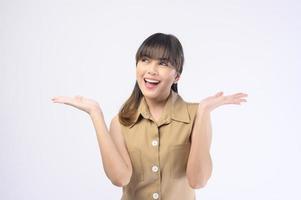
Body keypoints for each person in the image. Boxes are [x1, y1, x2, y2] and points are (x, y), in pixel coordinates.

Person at [51, 32, 248, 200]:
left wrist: (204, 111)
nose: (151, 70)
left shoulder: (196, 115)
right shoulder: (121, 122)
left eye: (162, 63)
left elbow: (198, 180)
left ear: (177, 75)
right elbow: (120, 178)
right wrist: (95, 114)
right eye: (145, 60)